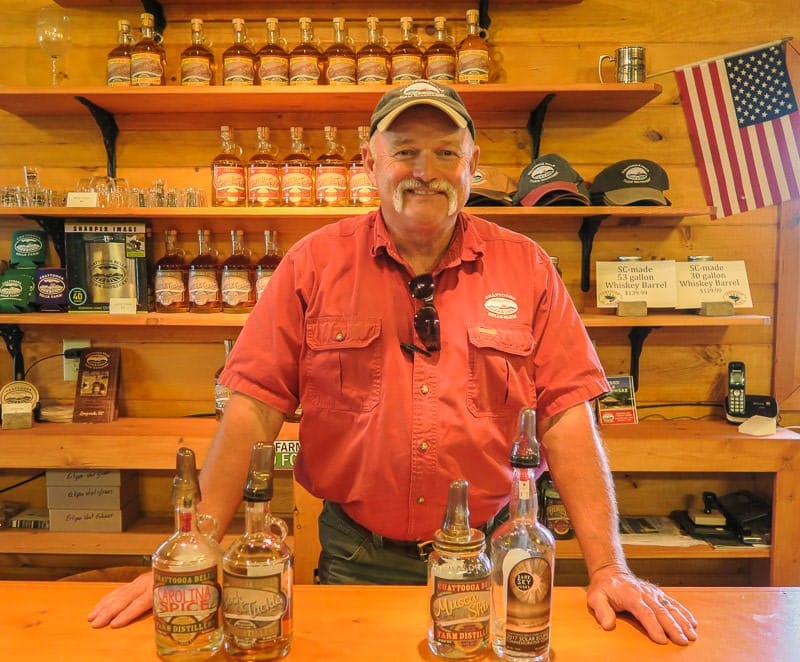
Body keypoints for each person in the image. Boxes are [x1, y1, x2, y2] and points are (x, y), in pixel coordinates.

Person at [88, 80, 697, 646]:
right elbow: (253, 412)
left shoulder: (527, 266)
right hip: (357, 558)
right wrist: (193, 552)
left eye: (445, 153)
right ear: (369, 163)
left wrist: (610, 567)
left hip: (495, 558)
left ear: (472, 164)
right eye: (405, 152)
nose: (425, 172)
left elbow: (567, 418)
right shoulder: (312, 265)